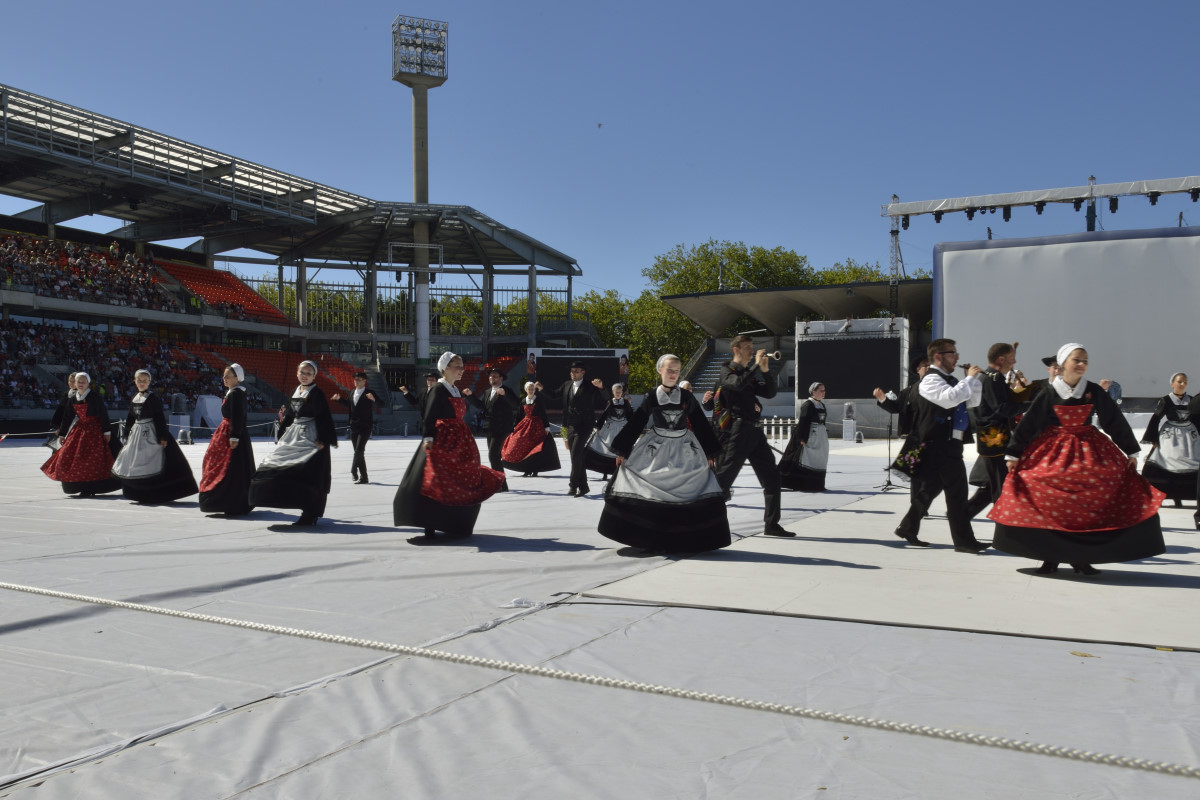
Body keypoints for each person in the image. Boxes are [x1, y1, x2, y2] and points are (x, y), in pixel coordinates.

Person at [991, 344, 1166, 575]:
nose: (1082, 364)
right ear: (1063, 364)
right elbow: (1029, 423)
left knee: (1091, 498)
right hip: (1054, 450)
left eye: (1085, 360)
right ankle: (1049, 557)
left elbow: (1112, 419)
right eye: (1077, 360)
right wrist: (1014, 453)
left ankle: (1082, 558)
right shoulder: (1050, 392)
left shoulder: (1092, 390)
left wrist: (1131, 450)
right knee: (1048, 498)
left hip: (1088, 449)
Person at [598, 354, 729, 552]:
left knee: (688, 489)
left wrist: (710, 452)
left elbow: (701, 423)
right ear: (660, 370)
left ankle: (686, 538)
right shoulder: (652, 396)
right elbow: (637, 422)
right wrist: (623, 450)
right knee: (652, 486)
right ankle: (652, 536)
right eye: (669, 370)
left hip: (685, 447)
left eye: (677, 371)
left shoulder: (686, 396)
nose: (673, 374)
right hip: (656, 447)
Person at [393, 352, 505, 540]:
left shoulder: (454, 389)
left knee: (461, 478)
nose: (461, 370)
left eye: (462, 366)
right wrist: (428, 437)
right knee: (435, 480)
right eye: (457, 366)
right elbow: (429, 415)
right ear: (445, 368)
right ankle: (430, 524)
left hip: (459, 440)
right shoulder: (438, 389)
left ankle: (456, 521)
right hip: (442, 440)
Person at [892, 338, 990, 553]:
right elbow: (950, 399)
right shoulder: (930, 380)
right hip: (938, 445)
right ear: (938, 356)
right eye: (952, 353)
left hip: (950, 444)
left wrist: (972, 380)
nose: (957, 357)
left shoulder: (952, 380)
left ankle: (907, 527)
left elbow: (971, 402)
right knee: (957, 493)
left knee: (930, 490)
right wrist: (969, 379)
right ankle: (964, 541)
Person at [712, 335, 791, 537]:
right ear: (736, 350)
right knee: (724, 479)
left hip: (755, 430)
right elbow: (736, 384)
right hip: (737, 431)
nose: (751, 350)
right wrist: (756, 366)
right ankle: (708, 523)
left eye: (751, 347)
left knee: (772, 477)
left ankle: (771, 524)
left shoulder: (749, 373)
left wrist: (765, 371)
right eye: (747, 347)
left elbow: (770, 392)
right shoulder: (726, 370)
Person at [248, 360, 337, 527]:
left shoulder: (317, 393)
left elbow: (324, 417)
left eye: (308, 373)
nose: (304, 376)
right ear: (297, 373)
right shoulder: (294, 391)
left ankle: (310, 513)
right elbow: (289, 415)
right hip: (294, 434)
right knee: (277, 467)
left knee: (309, 475)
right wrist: (281, 435)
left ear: (314, 376)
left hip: (312, 437)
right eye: (302, 372)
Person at [964, 343, 1034, 518]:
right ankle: (1003, 530)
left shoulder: (991, 378)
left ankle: (961, 515)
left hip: (994, 440)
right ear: (1001, 360)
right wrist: (1032, 405)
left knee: (992, 486)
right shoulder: (992, 379)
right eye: (1011, 359)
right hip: (995, 441)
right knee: (1001, 487)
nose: (1014, 362)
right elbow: (1002, 408)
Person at [112, 369, 198, 503]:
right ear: (135, 381)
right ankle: (138, 492)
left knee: (152, 461)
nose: (141, 383)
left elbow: (159, 418)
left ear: (149, 382)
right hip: (137, 432)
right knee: (135, 462)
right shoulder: (135, 398)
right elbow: (130, 418)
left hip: (151, 432)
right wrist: (127, 433)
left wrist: (162, 436)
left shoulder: (153, 398)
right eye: (139, 380)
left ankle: (153, 492)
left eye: (144, 380)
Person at [41, 372, 122, 496]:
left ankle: (91, 488)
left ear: (88, 383)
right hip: (80, 429)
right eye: (78, 381)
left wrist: (106, 431)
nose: (81, 384)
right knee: (68, 455)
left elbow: (103, 414)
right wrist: (62, 434)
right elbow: (67, 417)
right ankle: (76, 485)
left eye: (83, 381)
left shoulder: (94, 397)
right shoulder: (73, 398)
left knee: (92, 459)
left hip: (95, 430)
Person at [537, 361, 605, 496]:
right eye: (572, 371)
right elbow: (554, 395)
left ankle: (574, 485)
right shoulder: (567, 385)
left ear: (583, 372)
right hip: (570, 425)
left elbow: (606, 398)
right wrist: (542, 388)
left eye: (576, 371)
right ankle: (584, 486)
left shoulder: (590, 386)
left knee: (576, 455)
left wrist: (602, 387)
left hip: (585, 425)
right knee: (576, 457)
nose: (573, 373)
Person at [198, 364, 256, 516]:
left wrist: (234, 436)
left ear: (237, 378)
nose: (224, 379)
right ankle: (230, 500)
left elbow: (238, 416)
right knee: (227, 466)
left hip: (231, 433)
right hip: (228, 432)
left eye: (228, 376)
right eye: (224, 376)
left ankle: (230, 500)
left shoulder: (236, 394)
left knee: (229, 467)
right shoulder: (233, 392)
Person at [1140, 372, 1198, 508]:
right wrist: (1153, 438)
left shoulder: (1191, 399)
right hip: (1171, 437)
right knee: (1165, 463)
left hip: (1189, 437)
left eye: (1185, 382)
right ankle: (1165, 493)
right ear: (1172, 384)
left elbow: (1196, 418)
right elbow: (1155, 419)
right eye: (1179, 382)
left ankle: (1187, 494)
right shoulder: (1166, 400)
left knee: (1193, 464)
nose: (1183, 384)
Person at [464, 367, 520, 480]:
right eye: (490, 375)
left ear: (501, 378)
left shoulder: (506, 390)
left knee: (493, 455)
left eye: (495, 375)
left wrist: (505, 395)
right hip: (490, 427)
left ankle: (499, 482)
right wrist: (470, 396)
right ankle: (501, 483)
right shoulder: (487, 392)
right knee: (494, 456)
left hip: (502, 427)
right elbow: (481, 406)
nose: (492, 377)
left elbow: (516, 405)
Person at [501, 382, 562, 477]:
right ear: (526, 390)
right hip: (525, 425)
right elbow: (519, 415)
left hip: (537, 427)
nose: (531, 390)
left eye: (532, 388)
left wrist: (546, 427)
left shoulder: (538, 400)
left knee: (535, 449)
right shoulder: (523, 401)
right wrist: (515, 426)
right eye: (529, 388)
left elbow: (543, 414)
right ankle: (526, 469)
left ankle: (535, 469)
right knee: (521, 445)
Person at [779, 381, 829, 492]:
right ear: (813, 392)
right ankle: (802, 484)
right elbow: (803, 421)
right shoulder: (808, 405)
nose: (823, 393)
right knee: (803, 459)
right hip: (809, 436)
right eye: (821, 390)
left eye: (824, 390)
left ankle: (816, 484)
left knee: (818, 459)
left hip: (820, 438)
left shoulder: (821, 405)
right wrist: (802, 438)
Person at [331, 371, 378, 485]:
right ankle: (364, 477)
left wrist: (373, 399)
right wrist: (339, 399)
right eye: (355, 379)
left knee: (359, 450)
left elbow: (382, 404)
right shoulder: (352, 392)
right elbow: (348, 404)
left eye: (359, 379)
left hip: (365, 426)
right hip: (354, 426)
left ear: (364, 381)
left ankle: (353, 470)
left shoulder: (370, 392)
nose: (356, 381)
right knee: (358, 452)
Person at [584, 382, 631, 476]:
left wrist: (632, 426)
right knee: (606, 449)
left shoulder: (625, 403)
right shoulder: (610, 402)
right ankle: (604, 471)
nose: (618, 393)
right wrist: (598, 426)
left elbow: (630, 415)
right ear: (613, 392)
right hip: (610, 428)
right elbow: (604, 415)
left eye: (619, 392)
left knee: (619, 449)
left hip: (621, 427)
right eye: (616, 392)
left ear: (622, 393)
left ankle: (618, 471)